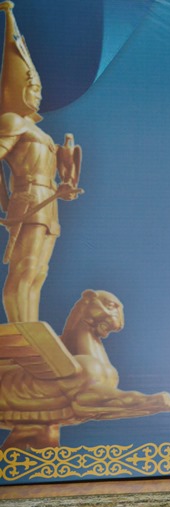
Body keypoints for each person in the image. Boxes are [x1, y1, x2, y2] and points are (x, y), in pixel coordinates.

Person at [0, 3, 82, 323]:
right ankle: (20, 328)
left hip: (49, 201)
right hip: (28, 198)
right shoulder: (12, 122)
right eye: (31, 87)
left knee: (38, 271)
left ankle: (31, 327)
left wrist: (66, 185)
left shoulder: (42, 134)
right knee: (23, 268)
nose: (36, 94)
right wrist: (4, 199)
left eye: (38, 89)